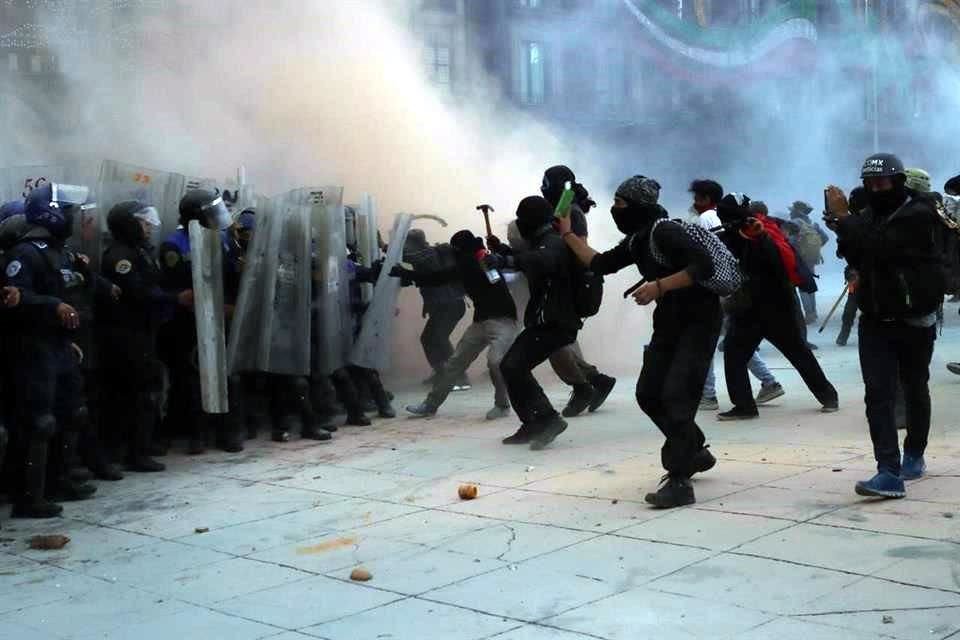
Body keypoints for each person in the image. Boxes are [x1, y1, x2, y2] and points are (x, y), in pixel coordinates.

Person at [558, 175, 723, 508]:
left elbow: (702, 266)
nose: (614, 209)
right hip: (669, 323)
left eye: (619, 203)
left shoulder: (665, 231)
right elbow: (600, 263)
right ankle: (694, 450)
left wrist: (659, 287)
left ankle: (679, 481)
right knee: (648, 393)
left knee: (677, 395)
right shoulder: (637, 240)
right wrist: (567, 234)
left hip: (699, 321)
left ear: (637, 206)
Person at [827, 153, 945, 498]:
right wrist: (843, 227)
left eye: (883, 182)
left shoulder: (919, 214)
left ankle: (914, 454)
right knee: (877, 393)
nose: (877, 188)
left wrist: (845, 218)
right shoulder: (868, 215)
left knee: (914, 387)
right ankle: (888, 471)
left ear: (898, 182)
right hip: (876, 318)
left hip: (914, 318)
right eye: (871, 183)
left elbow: (881, 247)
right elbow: (854, 252)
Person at [2, 183, 98, 517]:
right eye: (70, 211)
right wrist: (52, 305)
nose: (74, 218)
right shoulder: (26, 253)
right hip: (33, 347)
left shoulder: (62, 251)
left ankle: (61, 481)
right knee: (39, 422)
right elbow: (14, 297)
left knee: (72, 412)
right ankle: (30, 497)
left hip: (59, 344)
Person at [715, 195, 839, 421]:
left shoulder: (755, 233)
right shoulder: (757, 229)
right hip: (775, 306)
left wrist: (755, 237)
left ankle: (745, 407)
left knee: (735, 354)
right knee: (797, 353)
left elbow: (766, 261)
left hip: (758, 308)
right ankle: (828, 397)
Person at [482, 196, 579, 450]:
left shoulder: (553, 243)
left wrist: (507, 260)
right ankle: (533, 422)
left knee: (513, 365)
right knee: (512, 366)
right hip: (547, 320)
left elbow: (541, 260)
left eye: (521, 218)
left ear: (530, 221)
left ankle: (546, 419)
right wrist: (503, 250)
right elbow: (531, 256)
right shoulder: (542, 242)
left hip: (555, 321)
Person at [397, 230, 518, 420]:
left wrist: (407, 274)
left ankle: (502, 405)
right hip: (480, 322)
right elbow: (439, 277)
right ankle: (430, 404)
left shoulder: (480, 260)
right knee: (454, 364)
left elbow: (439, 277)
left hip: (503, 321)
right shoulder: (471, 261)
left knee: (495, 362)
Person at [99, 201, 184, 472]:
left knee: (146, 389)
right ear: (128, 224)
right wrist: (176, 298)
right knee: (138, 392)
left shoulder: (139, 251)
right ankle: (134, 452)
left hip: (143, 331)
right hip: (126, 333)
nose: (148, 228)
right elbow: (138, 293)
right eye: (144, 223)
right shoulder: (120, 256)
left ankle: (141, 445)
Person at [158, 189, 242, 454]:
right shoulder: (174, 245)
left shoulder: (225, 238)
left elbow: (229, 278)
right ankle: (197, 434)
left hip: (220, 316)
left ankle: (226, 432)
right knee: (192, 379)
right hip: (188, 322)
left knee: (227, 377)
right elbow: (178, 288)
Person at [688, 185, 784, 410]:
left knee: (709, 342)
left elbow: (709, 255)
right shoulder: (719, 219)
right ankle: (769, 382)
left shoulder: (705, 219)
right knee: (735, 342)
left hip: (715, 289)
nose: (694, 201)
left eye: (697, 197)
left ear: (706, 199)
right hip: (730, 288)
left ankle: (708, 395)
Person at [532, 165, 616, 418]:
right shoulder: (565, 205)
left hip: (569, 284)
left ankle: (584, 386)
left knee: (553, 338)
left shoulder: (568, 210)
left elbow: (574, 247)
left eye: (547, 183)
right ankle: (595, 380)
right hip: (563, 281)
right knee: (560, 339)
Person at [402, 229, 469, 389]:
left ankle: (459, 377)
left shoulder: (428, 254)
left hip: (450, 304)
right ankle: (442, 373)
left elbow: (410, 258)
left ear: (414, 242)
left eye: (407, 243)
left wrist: (386, 246)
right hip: (445, 305)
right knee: (430, 339)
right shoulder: (428, 253)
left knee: (439, 338)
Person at [786, 201, 829, 325]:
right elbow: (825, 238)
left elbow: (790, 241)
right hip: (811, 259)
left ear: (795, 211)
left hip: (799, 259)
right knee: (810, 284)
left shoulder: (794, 223)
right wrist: (815, 248)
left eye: (792, 210)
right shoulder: (812, 224)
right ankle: (813, 313)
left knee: (802, 287)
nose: (790, 212)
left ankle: (809, 314)